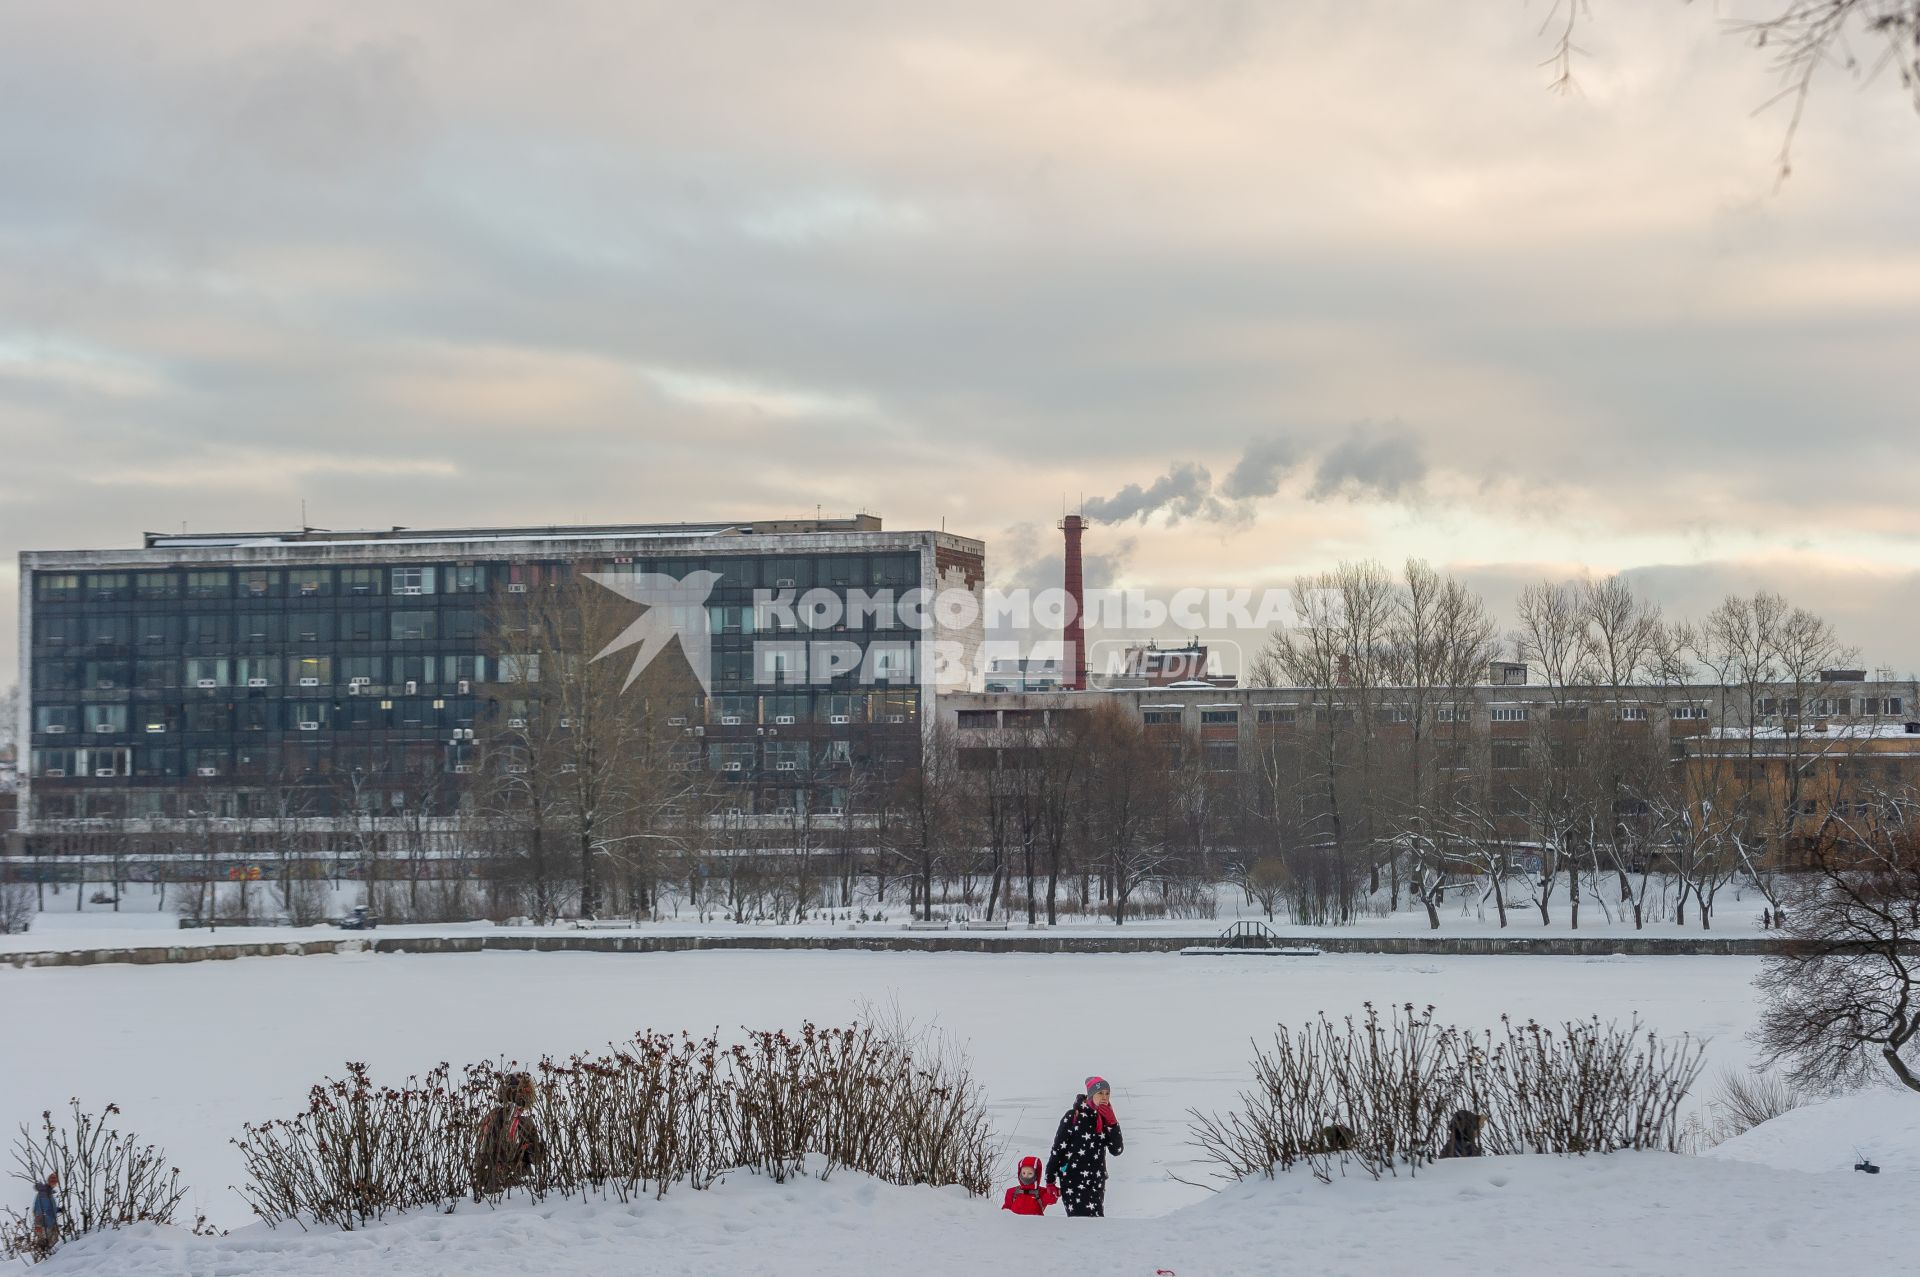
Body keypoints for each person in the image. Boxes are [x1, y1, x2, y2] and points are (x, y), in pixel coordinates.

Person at [1045, 1076, 1123, 1218]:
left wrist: (1112, 1123)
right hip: (1073, 1180)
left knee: (1096, 1224)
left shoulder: (1105, 1118)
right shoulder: (1073, 1116)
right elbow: (1057, 1150)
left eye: (1107, 1093)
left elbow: (1116, 1150)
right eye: (1100, 1093)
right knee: (1080, 1225)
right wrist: (1050, 1180)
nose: (1104, 1097)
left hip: (1096, 1181)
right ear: (1091, 1095)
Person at [471, 1071, 547, 1195]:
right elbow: (536, 1158)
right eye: (522, 1091)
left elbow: (536, 1158)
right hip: (510, 1184)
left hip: (500, 1183)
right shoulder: (502, 1119)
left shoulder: (492, 1118)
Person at [29, 1170, 59, 1258]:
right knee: (46, 1245)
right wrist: (39, 1220)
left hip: (49, 1222)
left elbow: (49, 1208)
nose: (54, 1182)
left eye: (55, 1180)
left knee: (51, 1245)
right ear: (48, 1181)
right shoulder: (44, 1192)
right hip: (44, 1223)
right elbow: (40, 1207)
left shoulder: (48, 1193)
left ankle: (47, 1258)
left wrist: (58, 1209)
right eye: (52, 1180)